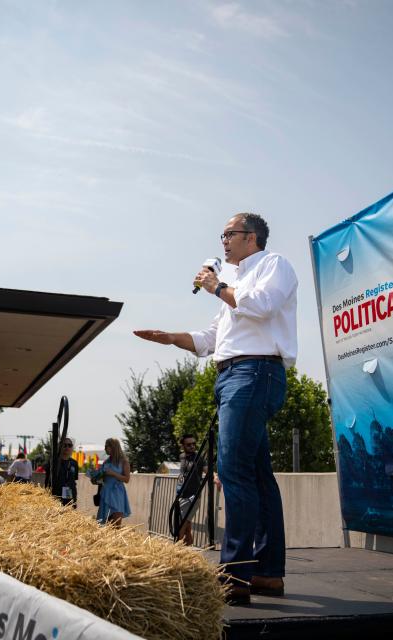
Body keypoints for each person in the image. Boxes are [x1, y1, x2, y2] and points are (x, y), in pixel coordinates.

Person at [134, 212, 296, 604]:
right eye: (221, 235)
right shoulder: (232, 283)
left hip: (255, 372)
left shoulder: (274, 266)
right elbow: (213, 337)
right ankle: (267, 573)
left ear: (252, 237)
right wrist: (173, 337)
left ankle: (234, 575)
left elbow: (260, 306)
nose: (223, 241)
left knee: (234, 472)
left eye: (230, 234)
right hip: (232, 375)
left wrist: (216, 284)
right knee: (257, 475)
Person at [175, 433, 207, 546]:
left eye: (194, 444)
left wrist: (216, 477)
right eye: (189, 445)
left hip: (193, 496)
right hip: (181, 494)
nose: (192, 446)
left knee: (182, 524)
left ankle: (175, 550)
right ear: (183, 446)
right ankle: (188, 548)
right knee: (187, 528)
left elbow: (207, 470)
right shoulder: (182, 456)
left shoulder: (199, 457)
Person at [96, 438, 131, 526]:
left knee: (116, 524)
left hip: (117, 494)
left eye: (106, 446)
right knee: (103, 524)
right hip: (106, 493)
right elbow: (101, 479)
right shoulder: (105, 462)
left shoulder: (124, 461)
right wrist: (96, 477)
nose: (105, 448)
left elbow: (127, 479)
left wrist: (113, 473)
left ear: (113, 447)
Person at [51, 439, 79, 507]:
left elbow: (74, 479)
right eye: (65, 445)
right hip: (56, 495)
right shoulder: (54, 462)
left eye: (69, 445)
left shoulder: (74, 463)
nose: (67, 447)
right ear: (60, 447)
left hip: (70, 496)